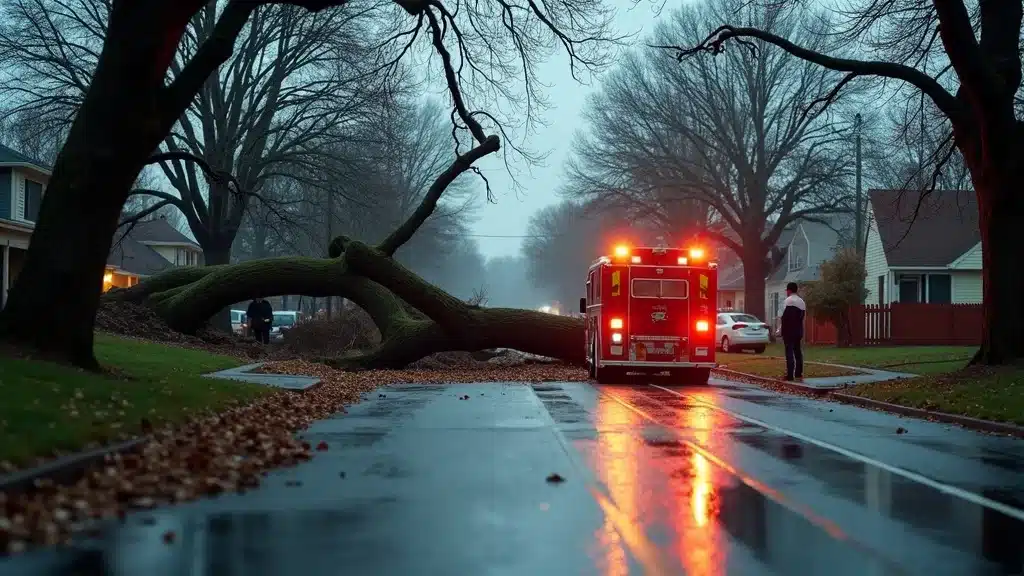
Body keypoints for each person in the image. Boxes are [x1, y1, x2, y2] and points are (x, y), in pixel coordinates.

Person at [780, 282, 806, 381]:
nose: (786, 292)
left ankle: (790, 375)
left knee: (789, 352)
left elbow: (784, 317)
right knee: (797, 351)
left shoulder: (788, 301)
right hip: (798, 330)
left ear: (789, 290)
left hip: (788, 331)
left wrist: (781, 330)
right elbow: (801, 317)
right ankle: (798, 373)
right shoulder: (802, 302)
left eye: (787, 290)